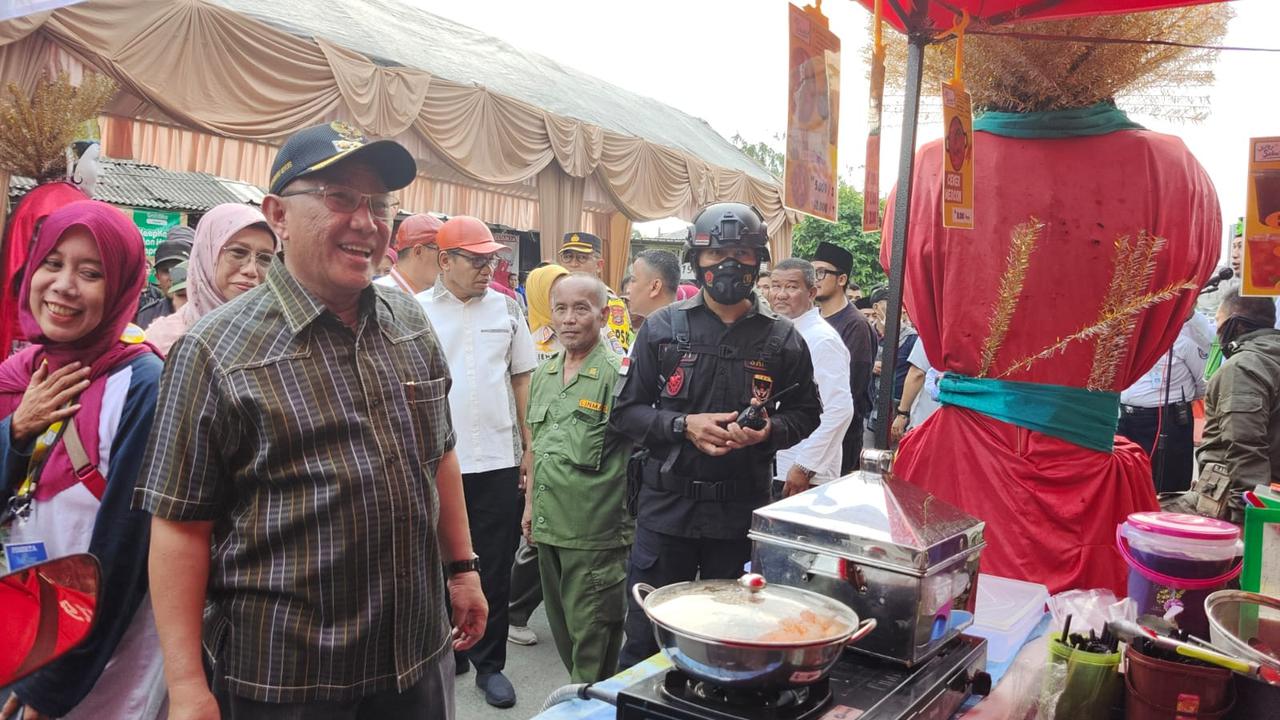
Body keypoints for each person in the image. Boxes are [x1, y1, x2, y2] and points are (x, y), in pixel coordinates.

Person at [135, 122, 486, 720]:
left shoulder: (407, 320)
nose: (365, 221)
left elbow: (440, 453)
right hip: (287, 677)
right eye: (339, 198)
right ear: (279, 214)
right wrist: (187, 683)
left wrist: (462, 569)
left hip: (415, 656)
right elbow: (179, 527)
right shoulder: (216, 350)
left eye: (378, 205)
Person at [612, 202, 821, 669]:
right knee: (647, 640)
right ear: (695, 259)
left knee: (730, 642)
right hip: (666, 516)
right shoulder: (661, 329)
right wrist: (683, 425)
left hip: (738, 517)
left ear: (759, 260)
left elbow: (808, 413)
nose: (729, 265)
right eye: (717, 253)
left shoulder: (783, 339)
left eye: (744, 254)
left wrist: (769, 432)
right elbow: (624, 414)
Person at [0, 200, 164, 719]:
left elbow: (125, 550)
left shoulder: (142, 387)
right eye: (53, 262)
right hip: (18, 630)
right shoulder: (17, 374)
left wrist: (50, 688)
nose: (63, 285)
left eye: (90, 273)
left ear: (120, 287)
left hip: (99, 662)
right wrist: (18, 432)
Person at [420, 215, 536, 709]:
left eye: (493, 259)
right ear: (445, 260)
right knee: (432, 560)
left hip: (494, 458)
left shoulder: (508, 310)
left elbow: (522, 381)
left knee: (494, 561)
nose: (488, 267)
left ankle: (491, 665)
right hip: (433, 459)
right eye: (476, 259)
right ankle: (450, 648)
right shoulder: (413, 310)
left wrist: (530, 449)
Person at [522, 273, 633, 682]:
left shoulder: (618, 376)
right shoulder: (545, 373)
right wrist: (531, 507)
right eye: (561, 309)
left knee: (593, 641)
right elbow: (537, 447)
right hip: (551, 527)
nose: (569, 319)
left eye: (581, 309)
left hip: (595, 534)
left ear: (603, 316)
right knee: (565, 636)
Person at [506, 262, 570, 647]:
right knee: (537, 536)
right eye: (554, 295)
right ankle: (513, 611)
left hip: (575, 447)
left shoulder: (596, 335)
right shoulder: (529, 339)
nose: (565, 308)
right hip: (542, 448)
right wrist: (527, 453)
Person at [1184, 289, 1280, 520]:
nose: (1217, 332)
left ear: (1234, 325)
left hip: (1235, 498)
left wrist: (1246, 519)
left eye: (1218, 322)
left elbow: (1244, 447)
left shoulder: (1243, 368)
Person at [768, 259, 853, 496]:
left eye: (792, 287)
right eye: (775, 286)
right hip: (777, 465)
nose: (781, 295)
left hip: (803, 471)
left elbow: (839, 409)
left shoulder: (821, 339)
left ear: (811, 293)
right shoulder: (782, 332)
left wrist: (805, 466)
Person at [144, 203, 276, 355]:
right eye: (238, 252)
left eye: (265, 258)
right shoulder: (163, 343)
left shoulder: (279, 337)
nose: (251, 270)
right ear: (207, 254)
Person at [1118, 311, 1213, 493]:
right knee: (1126, 480)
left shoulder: (1185, 336)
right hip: (1125, 417)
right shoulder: (1127, 330)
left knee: (1165, 484)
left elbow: (1202, 382)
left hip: (1165, 418)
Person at [811, 241, 877, 473]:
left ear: (841, 279)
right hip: (811, 430)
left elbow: (852, 389)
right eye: (812, 272)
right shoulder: (814, 319)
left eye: (821, 272)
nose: (814, 278)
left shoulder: (855, 325)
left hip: (839, 438)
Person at [559, 232, 632, 353]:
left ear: (599, 265)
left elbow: (617, 353)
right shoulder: (555, 297)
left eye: (582, 257)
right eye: (567, 257)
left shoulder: (609, 301)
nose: (573, 264)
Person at [135, 228, 193, 329]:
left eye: (178, 269)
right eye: (166, 271)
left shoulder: (207, 311)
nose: (172, 277)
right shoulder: (146, 315)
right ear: (157, 277)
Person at [376, 213, 444, 297]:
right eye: (442, 253)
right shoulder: (378, 295)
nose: (446, 262)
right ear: (418, 251)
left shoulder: (437, 298)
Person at [891, 339, 943, 444]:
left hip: (927, 419)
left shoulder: (932, 332)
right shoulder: (982, 334)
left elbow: (917, 373)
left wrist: (902, 414)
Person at [524, 263, 571, 365]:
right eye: (556, 293)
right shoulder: (527, 346)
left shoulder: (594, 328)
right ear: (539, 298)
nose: (566, 297)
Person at [627, 249, 680, 328]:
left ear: (655, 287)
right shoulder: (682, 328)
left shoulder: (660, 335)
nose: (628, 290)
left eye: (633, 280)